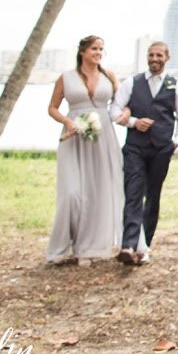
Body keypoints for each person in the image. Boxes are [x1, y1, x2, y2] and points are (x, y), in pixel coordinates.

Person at [45, 35, 124, 265]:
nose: (98, 52)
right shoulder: (66, 78)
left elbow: (121, 104)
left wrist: (126, 115)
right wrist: (68, 122)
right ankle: (61, 247)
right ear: (82, 51)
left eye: (101, 49)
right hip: (73, 137)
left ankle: (88, 247)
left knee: (98, 191)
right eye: (94, 49)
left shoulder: (109, 76)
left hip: (103, 138)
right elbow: (52, 108)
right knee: (72, 195)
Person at [110, 40, 178, 265]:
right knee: (133, 194)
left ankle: (144, 248)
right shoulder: (132, 83)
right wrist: (133, 122)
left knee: (153, 197)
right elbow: (114, 110)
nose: (154, 59)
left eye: (159, 56)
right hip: (135, 147)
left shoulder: (176, 85)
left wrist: (176, 141)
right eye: (151, 55)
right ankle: (128, 245)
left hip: (162, 149)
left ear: (167, 58)